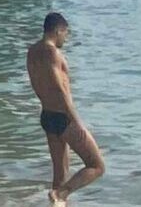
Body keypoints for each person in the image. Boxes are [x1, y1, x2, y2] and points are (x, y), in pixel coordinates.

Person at [28, 12, 106, 204]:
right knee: (96, 166)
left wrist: (47, 106)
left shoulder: (32, 52)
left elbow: (36, 84)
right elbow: (59, 89)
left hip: (47, 115)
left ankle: (58, 197)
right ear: (58, 30)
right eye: (66, 33)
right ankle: (60, 195)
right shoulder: (52, 52)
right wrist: (76, 121)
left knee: (60, 178)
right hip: (63, 117)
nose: (66, 38)